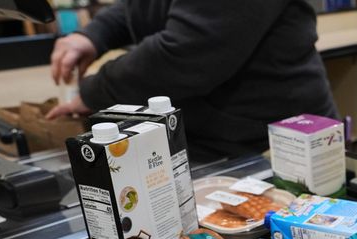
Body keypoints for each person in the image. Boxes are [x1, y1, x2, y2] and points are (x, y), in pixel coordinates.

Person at [47, 0, 338, 161]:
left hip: (273, 147)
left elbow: (185, 53)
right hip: (213, 138)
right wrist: (93, 35)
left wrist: (94, 93)